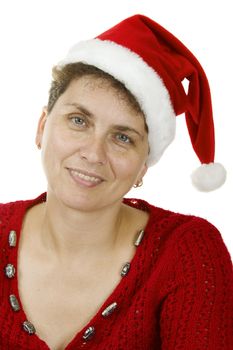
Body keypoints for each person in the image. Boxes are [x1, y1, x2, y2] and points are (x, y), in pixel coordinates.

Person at [0, 14, 232, 350]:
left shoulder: (188, 254)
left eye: (123, 137)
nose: (94, 153)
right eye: (78, 120)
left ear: (143, 167)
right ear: (42, 126)